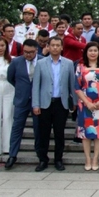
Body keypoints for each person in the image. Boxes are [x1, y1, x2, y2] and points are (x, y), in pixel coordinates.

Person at [32, 36, 77, 172]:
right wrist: (36, 104)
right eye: (53, 45)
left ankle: (58, 159)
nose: (55, 48)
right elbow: (36, 85)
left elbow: (71, 84)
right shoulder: (41, 63)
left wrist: (73, 102)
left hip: (61, 103)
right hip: (45, 103)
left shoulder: (68, 63)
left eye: (58, 45)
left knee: (59, 133)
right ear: (48, 47)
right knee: (43, 133)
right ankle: (43, 159)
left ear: (62, 47)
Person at [74, 42, 99, 171]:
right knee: (85, 133)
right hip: (84, 104)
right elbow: (77, 87)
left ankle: (95, 158)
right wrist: (87, 102)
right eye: (90, 50)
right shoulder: (80, 67)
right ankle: (87, 158)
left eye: (95, 50)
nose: (93, 53)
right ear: (86, 52)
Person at [5, 39, 41, 170]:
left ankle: (40, 155)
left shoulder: (43, 61)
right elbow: (10, 78)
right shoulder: (16, 62)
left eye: (31, 52)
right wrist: (21, 89)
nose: (28, 55)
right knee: (17, 128)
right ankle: (12, 155)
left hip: (38, 101)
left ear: (36, 50)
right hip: (21, 100)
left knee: (38, 129)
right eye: (25, 52)